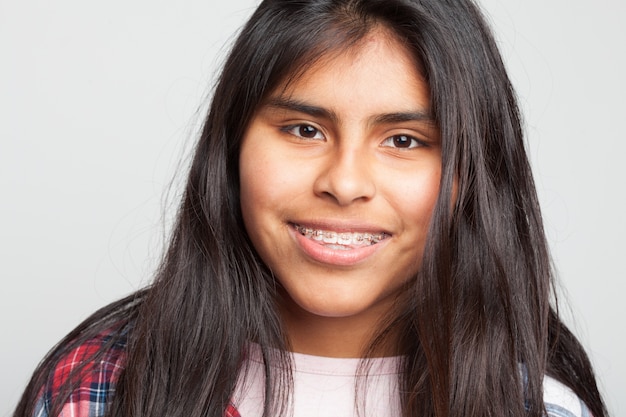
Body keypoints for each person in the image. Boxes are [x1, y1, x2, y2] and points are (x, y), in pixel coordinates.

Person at [14, 0, 608, 416]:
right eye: (303, 129)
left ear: (470, 177)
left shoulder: (538, 408)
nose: (345, 184)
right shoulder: (101, 389)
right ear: (232, 148)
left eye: (403, 140)